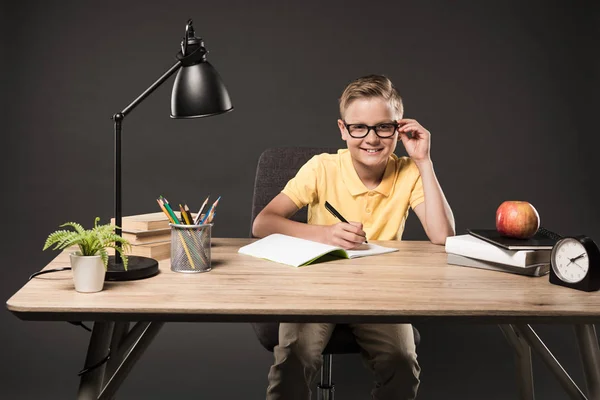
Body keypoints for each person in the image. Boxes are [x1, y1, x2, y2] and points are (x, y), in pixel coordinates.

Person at [252, 74, 455, 400]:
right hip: (316, 285)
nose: (371, 138)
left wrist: (423, 160)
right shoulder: (322, 168)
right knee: (294, 358)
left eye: (383, 127)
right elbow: (263, 223)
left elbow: (443, 235)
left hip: (381, 291)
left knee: (401, 362)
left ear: (398, 129)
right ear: (343, 129)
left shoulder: (408, 171)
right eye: (359, 127)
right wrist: (323, 233)